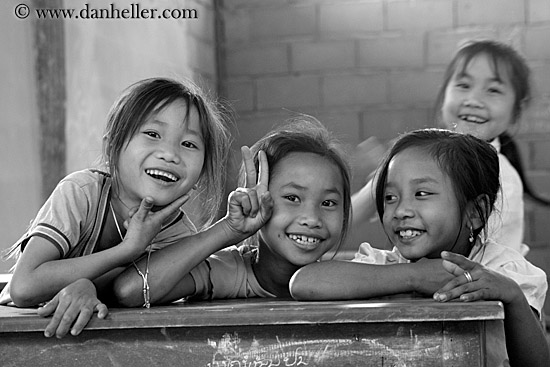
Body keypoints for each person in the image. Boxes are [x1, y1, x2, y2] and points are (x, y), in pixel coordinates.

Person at [289, 128, 549, 366]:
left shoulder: (500, 271)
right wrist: (415, 277)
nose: (400, 210)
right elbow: (304, 282)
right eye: (390, 197)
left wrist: (513, 298)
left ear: (475, 212)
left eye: (422, 194)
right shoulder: (387, 266)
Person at [0, 77, 232, 337]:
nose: (170, 154)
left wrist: (88, 287)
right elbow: (24, 287)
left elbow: (131, 294)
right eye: (152, 134)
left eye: (188, 144)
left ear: (200, 172)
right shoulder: (82, 192)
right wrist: (127, 250)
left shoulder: (179, 237)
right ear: (112, 145)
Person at [112, 116, 352, 305]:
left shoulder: (352, 277)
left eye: (328, 203)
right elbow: (129, 290)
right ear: (256, 198)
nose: (311, 218)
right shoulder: (226, 272)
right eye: (292, 197)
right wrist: (228, 229)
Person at [351, 39, 550, 255]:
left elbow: (473, 270)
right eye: (463, 86)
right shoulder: (422, 159)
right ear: (444, 94)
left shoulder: (502, 180)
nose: (473, 100)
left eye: (493, 90)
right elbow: (342, 220)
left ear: (515, 111)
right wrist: (381, 183)